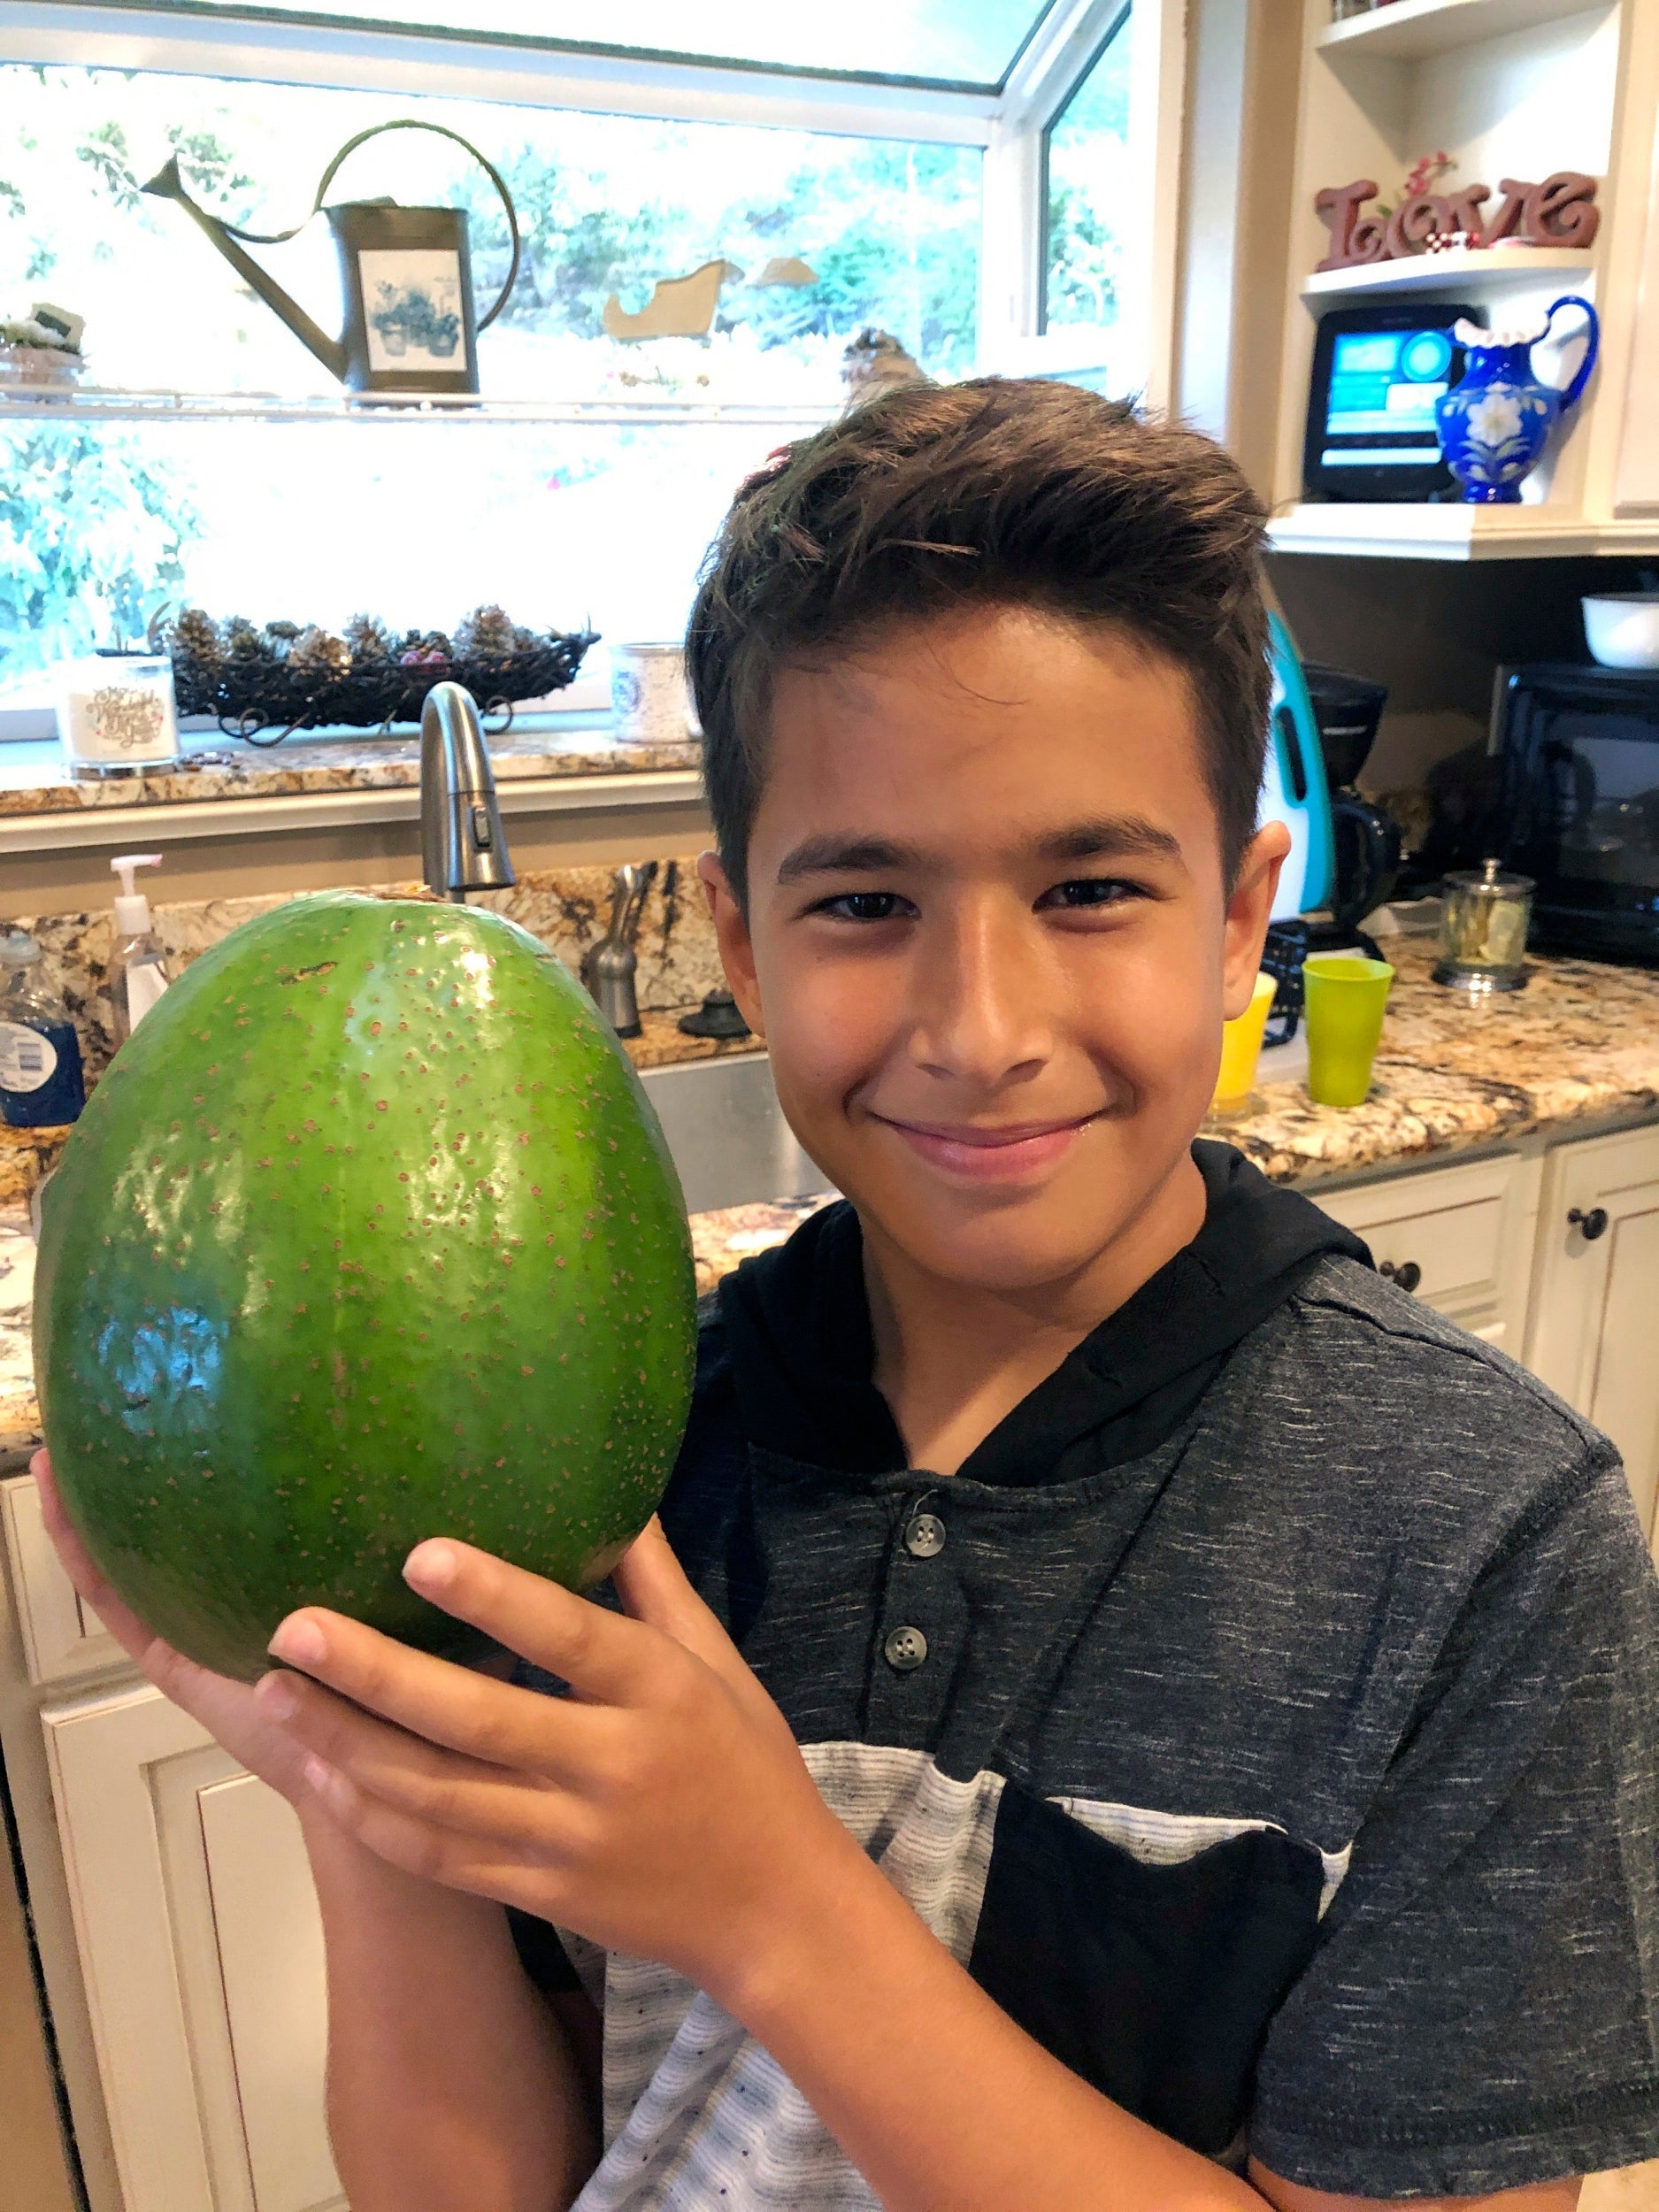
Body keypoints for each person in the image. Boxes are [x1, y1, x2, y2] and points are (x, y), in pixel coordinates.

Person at [38, 380, 1659, 2212]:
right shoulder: (598, 1442)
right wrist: (370, 1798)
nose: (978, 1031)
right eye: (865, 903)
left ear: (1235, 918)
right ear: (741, 941)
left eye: (1090, 885)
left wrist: (772, 1900)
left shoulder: (1480, 1540)